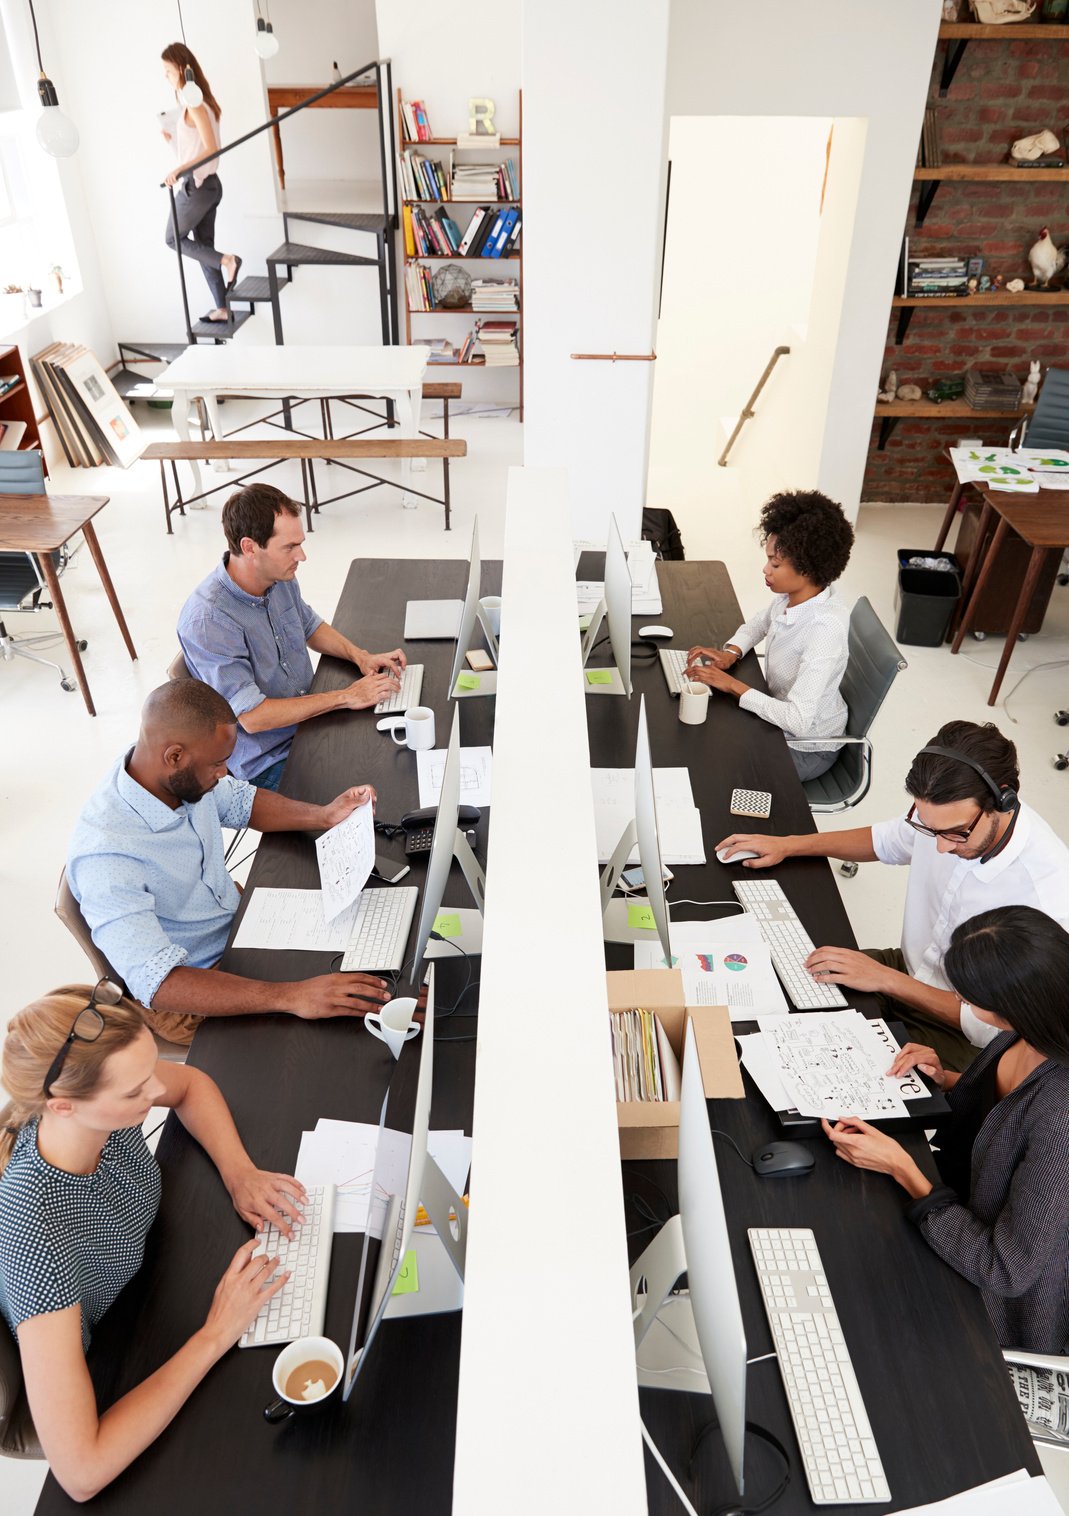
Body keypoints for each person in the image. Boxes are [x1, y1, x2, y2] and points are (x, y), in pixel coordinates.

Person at [0, 983, 305, 1500]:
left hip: (154, 1275)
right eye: (134, 1091)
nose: (153, 1093)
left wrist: (240, 1175)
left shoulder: (97, 1104)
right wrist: (216, 1331)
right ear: (65, 1107)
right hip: (115, 1355)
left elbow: (189, 1085)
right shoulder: (37, 1239)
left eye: (148, 1074)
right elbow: (81, 1472)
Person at [718, 719, 1069, 1070]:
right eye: (929, 830)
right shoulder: (944, 819)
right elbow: (886, 841)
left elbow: (994, 1027)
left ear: (1003, 798)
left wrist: (886, 979)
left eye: (957, 834)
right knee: (769, 998)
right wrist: (790, 845)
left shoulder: (1047, 899)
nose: (941, 847)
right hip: (906, 970)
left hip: (959, 1031)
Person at [67, 678, 391, 1034]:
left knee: (370, 955)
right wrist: (291, 996)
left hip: (239, 923)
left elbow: (241, 802)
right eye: (218, 764)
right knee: (339, 1029)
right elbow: (158, 983)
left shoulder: (169, 773)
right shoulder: (106, 857)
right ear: (174, 756)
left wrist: (324, 815)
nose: (225, 773)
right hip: (195, 984)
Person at [822, 906, 1069, 1355]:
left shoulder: (1061, 1115)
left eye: (970, 999)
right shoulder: (1032, 1031)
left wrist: (904, 1168)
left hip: (988, 1288)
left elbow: (1006, 1271)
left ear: (1013, 1006)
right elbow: (1003, 1118)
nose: (963, 1005)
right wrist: (946, 1078)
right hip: (955, 1203)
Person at [177, 484, 406, 790]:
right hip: (269, 758)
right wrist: (346, 696)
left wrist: (360, 656)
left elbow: (309, 624)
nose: (302, 556)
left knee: (394, 753)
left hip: (310, 722)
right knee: (379, 788)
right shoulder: (208, 620)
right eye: (289, 547)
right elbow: (253, 717)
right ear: (249, 547)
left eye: (300, 543)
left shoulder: (277, 576)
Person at [685, 489, 854, 781]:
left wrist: (732, 685)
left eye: (775, 564)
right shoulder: (794, 596)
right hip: (778, 718)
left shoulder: (824, 629)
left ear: (808, 569)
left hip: (805, 747)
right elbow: (758, 624)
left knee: (712, 761)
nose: (765, 569)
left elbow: (798, 721)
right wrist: (732, 652)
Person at [161, 43, 241, 325]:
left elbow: (211, 149)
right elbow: (196, 150)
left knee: (173, 239)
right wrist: (173, 144)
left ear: (183, 70)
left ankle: (227, 260)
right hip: (207, 186)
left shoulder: (194, 104)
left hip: (199, 187)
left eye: (169, 72)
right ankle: (222, 307)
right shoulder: (198, 102)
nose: (166, 78)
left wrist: (178, 169)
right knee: (204, 245)